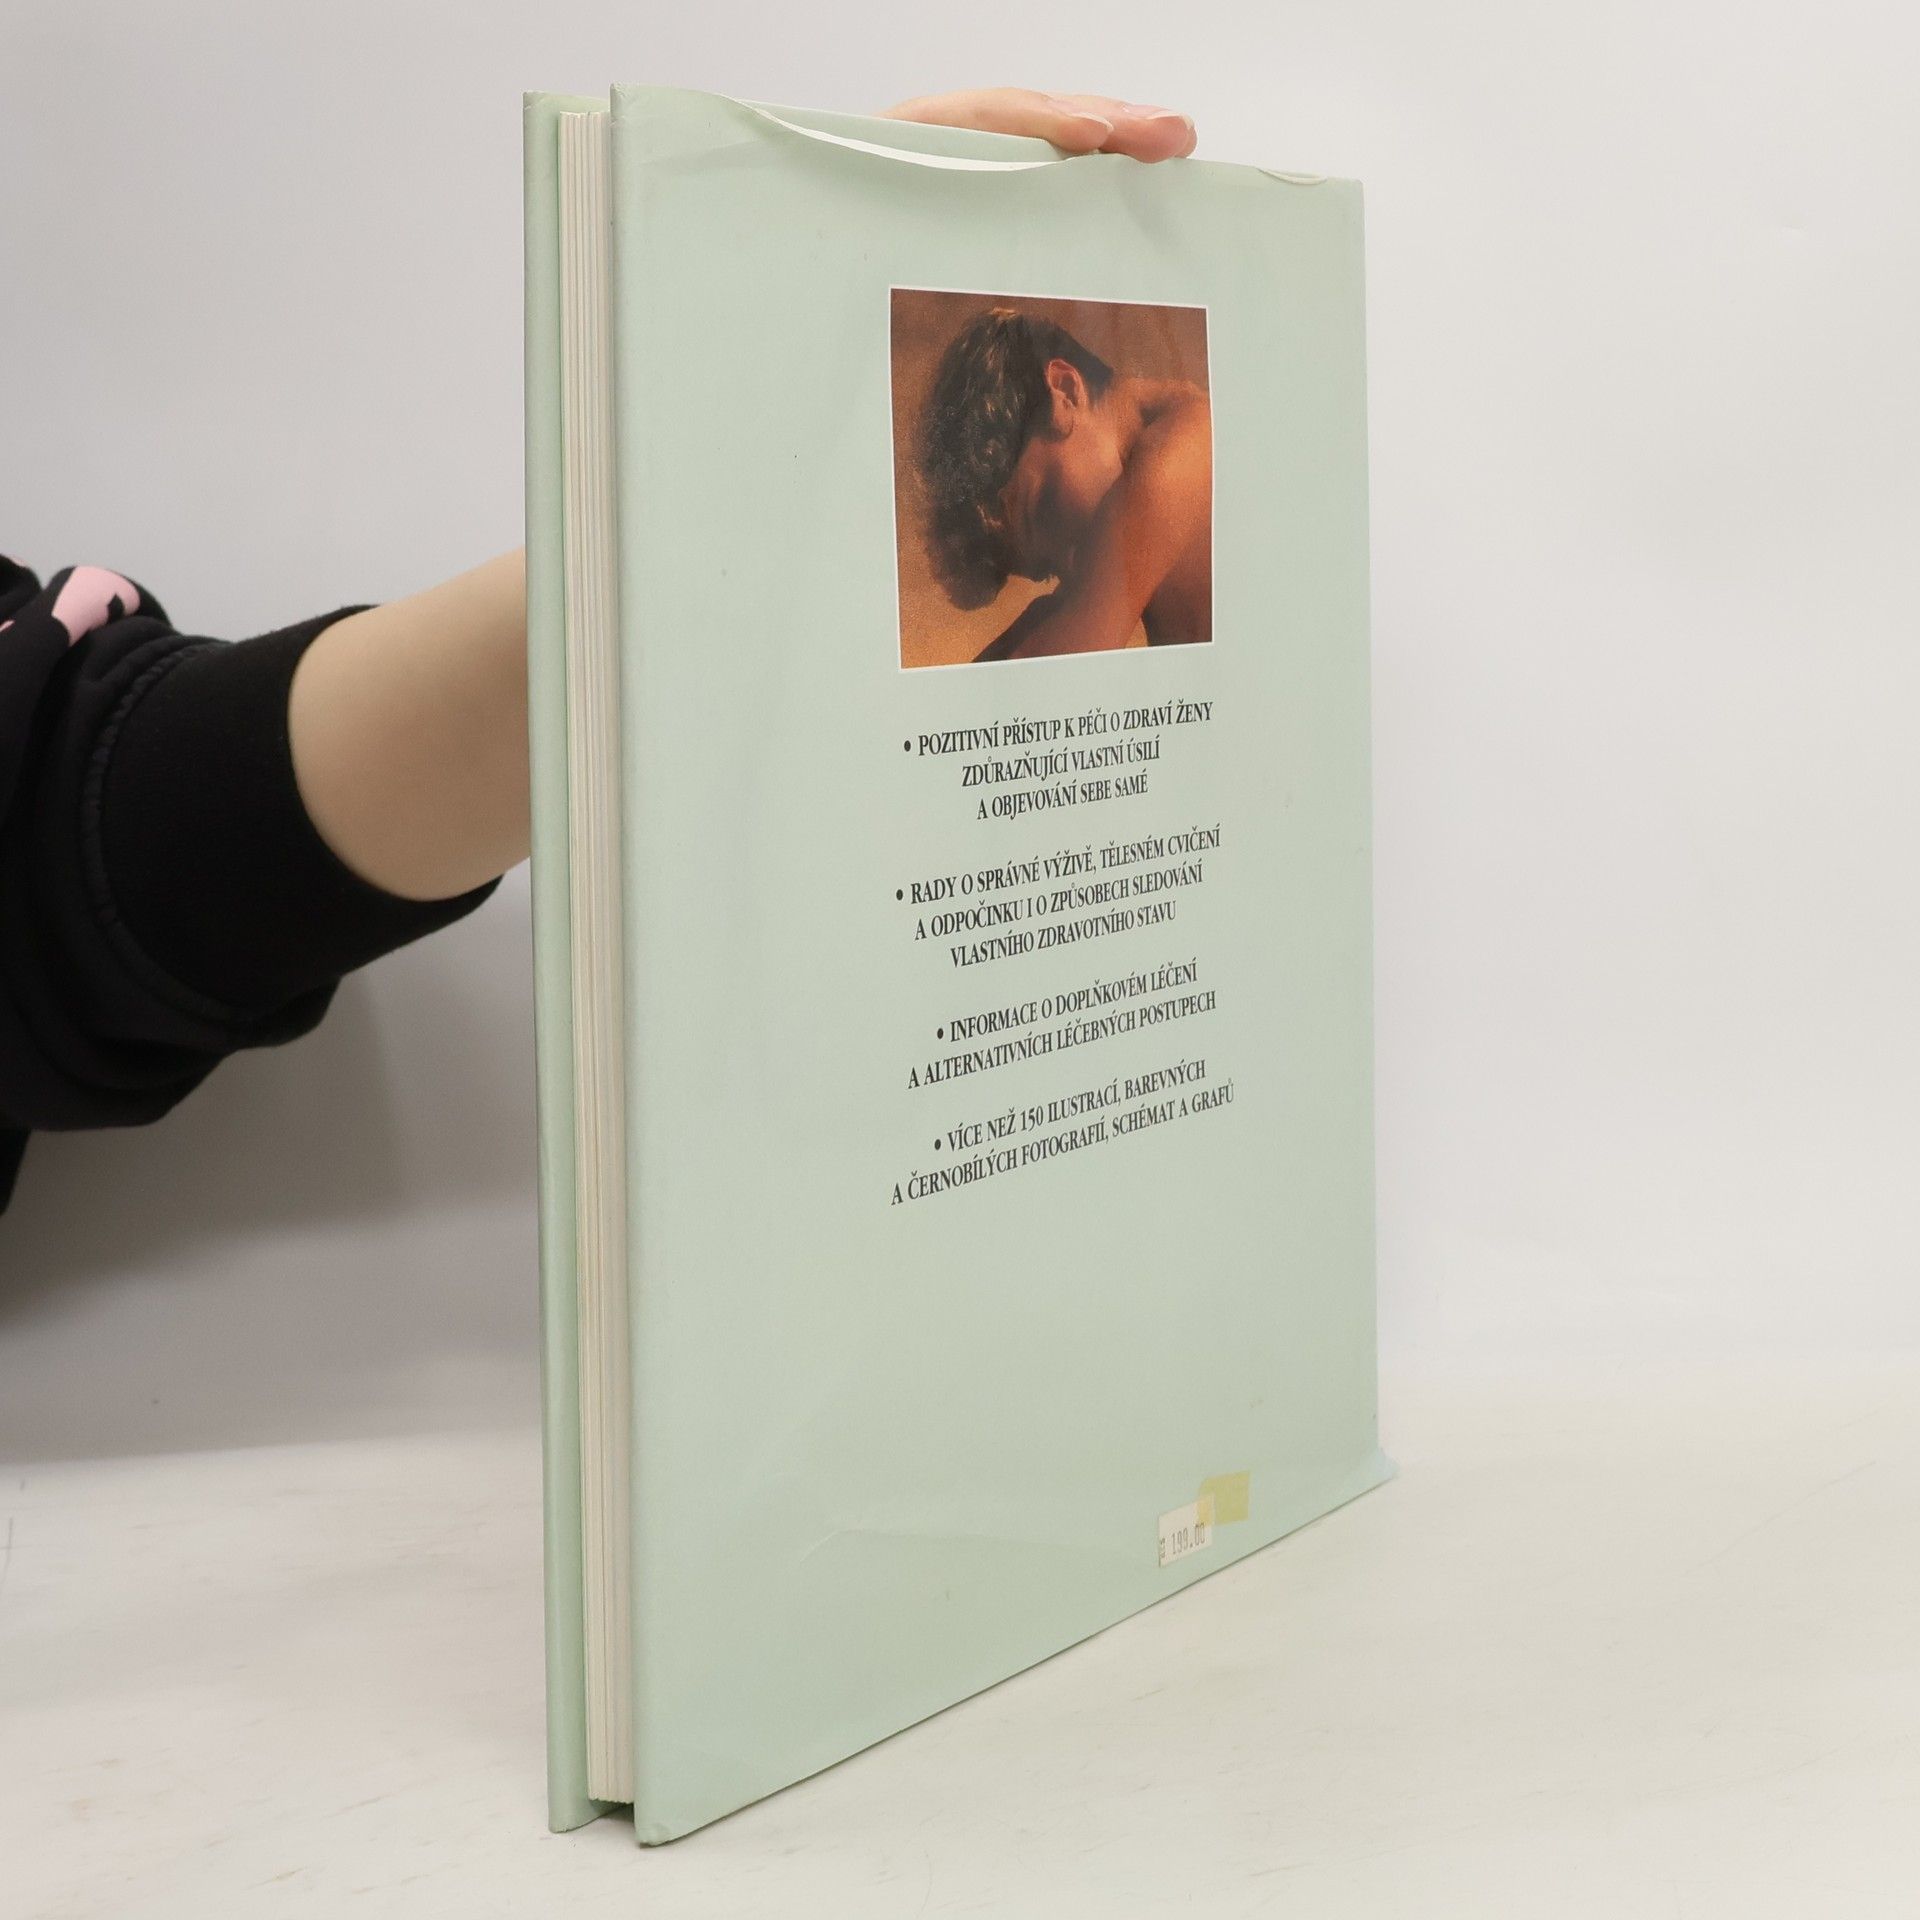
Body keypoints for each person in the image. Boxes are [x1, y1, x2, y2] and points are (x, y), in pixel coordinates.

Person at [0, 89, 1196, 1211]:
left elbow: (74, 826)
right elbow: (70, 845)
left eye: (1034, 521)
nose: (1056, 569)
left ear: (1062, 390)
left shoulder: (1176, 457)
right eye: (1043, 540)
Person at [914, 305, 1213, 660]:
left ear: (1065, 389)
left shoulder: (1182, 451)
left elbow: (1059, 665)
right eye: (1048, 571)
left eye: (1045, 509)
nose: (1071, 568)